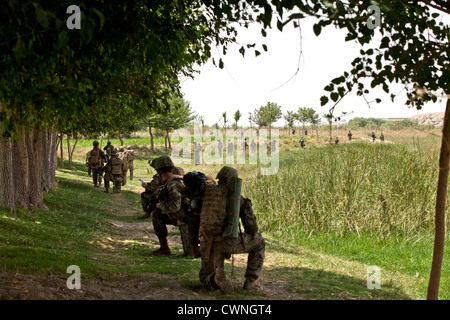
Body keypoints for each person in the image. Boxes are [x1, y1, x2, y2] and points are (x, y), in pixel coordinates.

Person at [197, 166, 265, 294]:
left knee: (205, 278)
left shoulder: (207, 195)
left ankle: (215, 279)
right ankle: (251, 282)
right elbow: (252, 228)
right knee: (259, 241)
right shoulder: (239, 199)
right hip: (228, 242)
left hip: (207, 242)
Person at [148, 155, 187, 256]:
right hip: (185, 214)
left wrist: (160, 206)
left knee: (156, 214)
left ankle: (164, 247)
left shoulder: (172, 184)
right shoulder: (172, 180)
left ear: (159, 171)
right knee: (156, 214)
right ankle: (164, 248)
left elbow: (175, 207)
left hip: (184, 217)